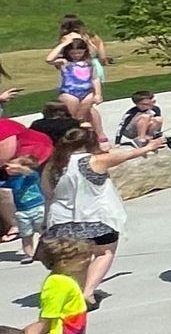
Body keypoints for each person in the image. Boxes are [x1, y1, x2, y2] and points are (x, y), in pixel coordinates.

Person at [40, 123, 146, 303]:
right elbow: (126, 155)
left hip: (62, 222)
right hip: (96, 220)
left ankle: (66, 291)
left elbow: (48, 194)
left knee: (71, 260)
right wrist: (150, 146)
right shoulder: (94, 160)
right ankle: (87, 293)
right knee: (104, 253)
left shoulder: (53, 166)